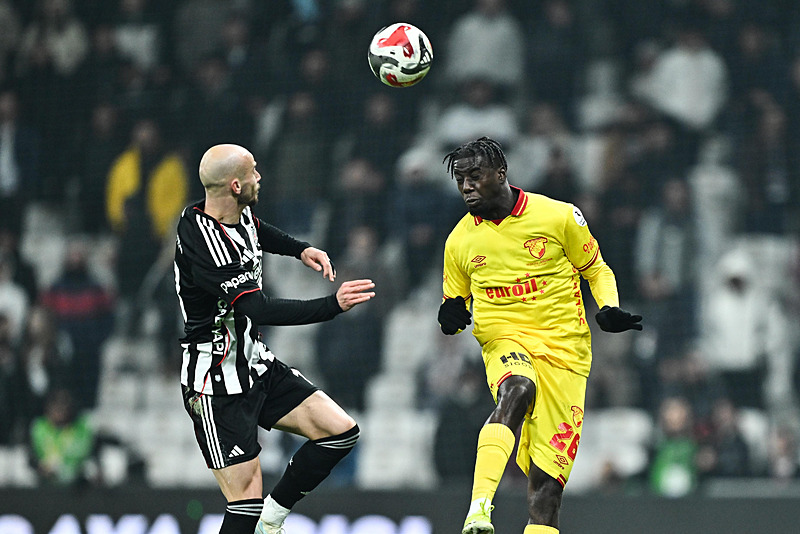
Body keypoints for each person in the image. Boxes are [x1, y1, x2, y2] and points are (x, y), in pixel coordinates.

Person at [438, 137, 642, 534]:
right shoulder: (459, 241)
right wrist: (450, 316)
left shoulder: (558, 216)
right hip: (504, 338)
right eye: (460, 179)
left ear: (501, 173)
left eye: (475, 176)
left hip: (566, 352)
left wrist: (609, 306)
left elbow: (596, 269)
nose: (466, 187)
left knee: (547, 490)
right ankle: (478, 510)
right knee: (517, 389)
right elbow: (453, 303)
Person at [174, 144, 375, 534]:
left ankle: (273, 518)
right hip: (216, 382)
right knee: (245, 501)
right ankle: (261, 518)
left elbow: (257, 230)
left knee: (340, 433)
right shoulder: (206, 242)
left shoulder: (236, 213)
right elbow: (259, 309)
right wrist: (331, 305)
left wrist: (300, 249)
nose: (259, 177)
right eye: (253, 171)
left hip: (256, 364)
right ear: (235, 185)